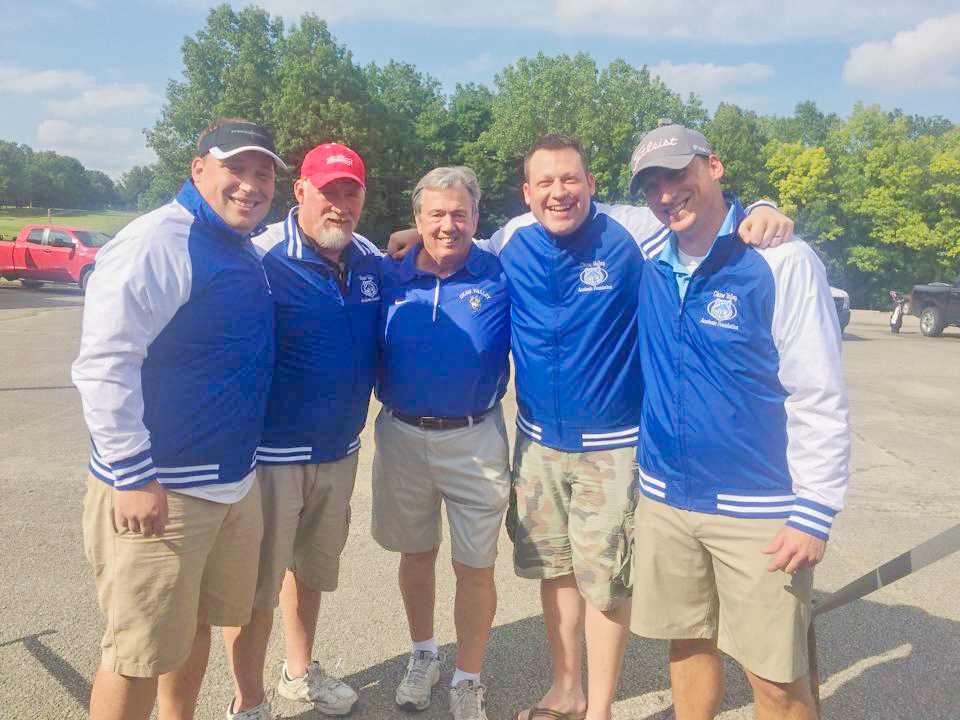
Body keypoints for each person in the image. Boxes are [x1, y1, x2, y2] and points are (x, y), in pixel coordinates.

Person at [389, 134, 793, 720]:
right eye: (545, 183)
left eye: (570, 179)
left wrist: (758, 210)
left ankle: (598, 709)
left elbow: (700, 211)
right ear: (526, 193)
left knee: (604, 581)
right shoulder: (509, 239)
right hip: (537, 444)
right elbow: (449, 239)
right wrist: (407, 238)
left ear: (591, 183)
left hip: (614, 447)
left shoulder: (631, 230)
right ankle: (567, 690)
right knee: (554, 571)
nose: (559, 193)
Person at [627, 124, 850, 720]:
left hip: (757, 509)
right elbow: (555, 206)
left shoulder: (781, 260)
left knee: (776, 677)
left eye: (677, 174)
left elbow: (817, 391)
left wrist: (814, 509)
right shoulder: (648, 254)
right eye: (652, 184)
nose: (666, 193)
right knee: (688, 642)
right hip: (665, 499)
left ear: (715, 166)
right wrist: (420, 231)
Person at [72, 118, 285, 720]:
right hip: (162, 487)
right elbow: (104, 365)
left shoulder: (238, 244)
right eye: (235, 169)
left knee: (193, 627)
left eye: (262, 173)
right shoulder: (158, 241)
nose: (250, 184)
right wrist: (133, 475)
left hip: (229, 485)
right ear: (198, 170)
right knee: (134, 652)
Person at [220, 142, 376, 719]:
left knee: (310, 572)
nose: (339, 203)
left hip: (340, 450)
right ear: (301, 191)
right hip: (271, 456)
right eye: (328, 190)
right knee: (256, 590)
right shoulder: (260, 257)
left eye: (350, 191)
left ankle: (298, 673)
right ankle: (248, 700)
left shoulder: (368, 258)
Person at [373, 166, 511, 720]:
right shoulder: (388, 273)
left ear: (477, 218)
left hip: (474, 438)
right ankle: (424, 653)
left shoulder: (500, 274)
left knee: (475, 564)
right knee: (416, 553)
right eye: (436, 215)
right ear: (416, 219)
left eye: (459, 214)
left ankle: (468, 676)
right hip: (402, 434)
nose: (448, 225)